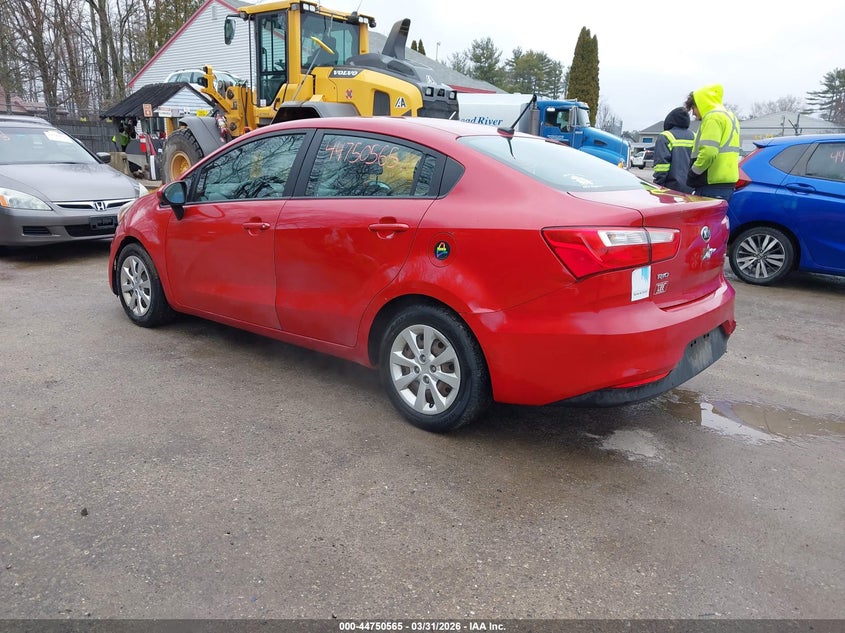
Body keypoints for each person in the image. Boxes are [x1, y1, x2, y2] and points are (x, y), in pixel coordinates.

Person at [685, 84, 741, 200]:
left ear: (700, 104)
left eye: (693, 108)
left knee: (705, 218)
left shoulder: (713, 117)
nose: (693, 113)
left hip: (711, 182)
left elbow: (709, 152)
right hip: (726, 182)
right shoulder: (730, 116)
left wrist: (693, 173)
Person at [652, 107, 694, 194]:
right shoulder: (695, 136)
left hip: (671, 189)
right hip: (692, 189)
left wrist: (658, 187)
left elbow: (661, 166)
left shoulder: (665, 136)